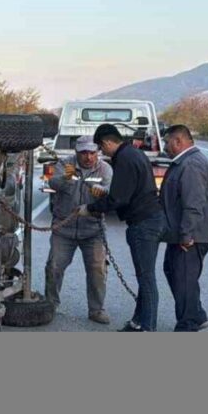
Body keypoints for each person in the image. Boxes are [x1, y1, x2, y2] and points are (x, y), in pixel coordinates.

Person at [81, 123, 165, 332]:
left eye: (101, 148)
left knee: (146, 278)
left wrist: (91, 208)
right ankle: (138, 321)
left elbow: (119, 198)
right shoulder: (134, 154)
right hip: (149, 219)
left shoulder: (125, 159)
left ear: (108, 142)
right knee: (143, 276)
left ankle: (147, 327)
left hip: (143, 224)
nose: (102, 152)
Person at [45, 135, 114, 325]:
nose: (89, 157)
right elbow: (52, 183)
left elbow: (111, 191)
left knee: (97, 271)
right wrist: (65, 179)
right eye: (84, 153)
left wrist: (102, 191)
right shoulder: (65, 164)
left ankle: (96, 310)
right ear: (77, 152)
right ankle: (50, 305)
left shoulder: (105, 168)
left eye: (92, 153)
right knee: (54, 267)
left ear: (97, 152)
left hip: (93, 230)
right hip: (64, 228)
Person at [159, 124, 208, 332]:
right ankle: (197, 315)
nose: (165, 146)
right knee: (174, 270)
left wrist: (187, 235)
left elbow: (193, 203)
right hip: (183, 232)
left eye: (167, 142)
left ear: (178, 141)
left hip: (193, 235)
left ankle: (188, 324)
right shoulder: (184, 161)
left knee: (183, 277)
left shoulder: (192, 164)